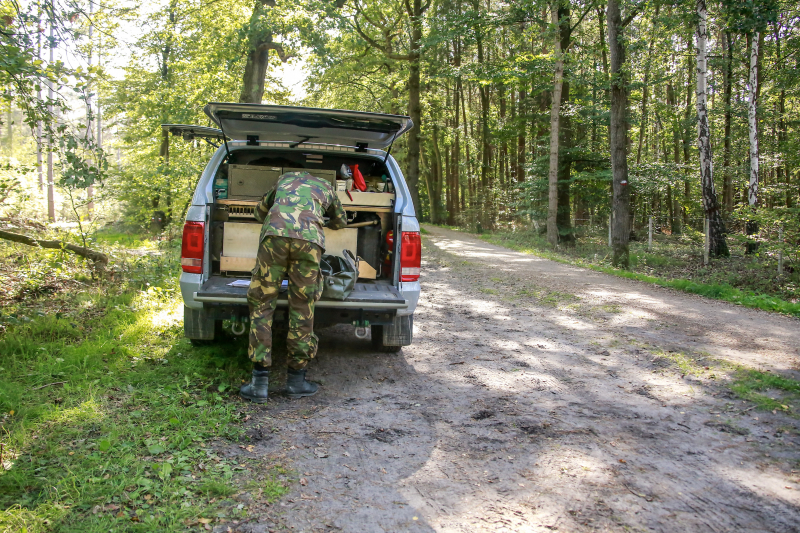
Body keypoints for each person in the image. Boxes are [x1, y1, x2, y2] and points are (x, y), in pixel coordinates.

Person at [240, 170, 348, 403]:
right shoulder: (327, 187)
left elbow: (259, 213)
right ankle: (296, 381)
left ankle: (259, 383)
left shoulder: (283, 181)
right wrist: (320, 216)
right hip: (309, 242)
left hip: (274, 240)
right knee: (302, 307)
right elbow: (341, 221)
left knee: (262, 305)